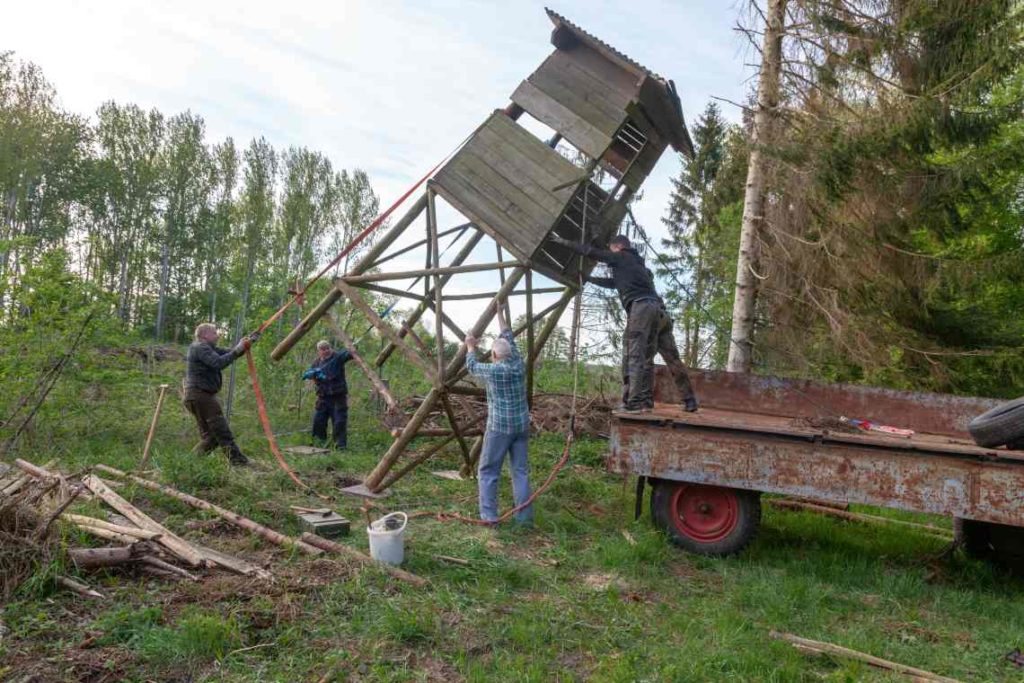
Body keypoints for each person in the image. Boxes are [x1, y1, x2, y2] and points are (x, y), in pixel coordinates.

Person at [551, 233, 660, 412]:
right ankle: (646, 402)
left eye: (611, 250)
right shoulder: (635, 263)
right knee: (646, 357)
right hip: (654, 308)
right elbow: (613, 283)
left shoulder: (621, 256)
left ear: (617, 247)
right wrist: (589, 279)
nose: (610, 255)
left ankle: (633, 403)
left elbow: (592, 252)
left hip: (640, 308)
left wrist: (565, 241)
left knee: (633, 354)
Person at [584, 269, 699, 413]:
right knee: (672, 360)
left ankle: (632, 401)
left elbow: (612, 282)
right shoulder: (647, 284)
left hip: (643, 316)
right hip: (662, 317)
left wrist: (587, 277)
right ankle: (690, 400)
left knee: (632, 355)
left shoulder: (633, 280)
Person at [464, 298, 532, 525]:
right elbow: (508, 335)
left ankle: (489, 517)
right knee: (520, 472)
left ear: (494, 355)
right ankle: (524, 519)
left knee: (488, 470)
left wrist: (471, 346)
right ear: (509, 353)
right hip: (521, 426)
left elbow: (472, 367)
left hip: (500, 428)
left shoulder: (494, 371)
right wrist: (500, 313)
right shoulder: (518, 363)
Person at [183, 323, 260, 466]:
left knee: (212, 437)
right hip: (201, 396)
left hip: (198, 396)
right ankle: (239, 462)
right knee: (221, 431)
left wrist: (249, 341)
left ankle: (189, 464)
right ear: (205, 335)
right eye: (214, 333)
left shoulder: (207, 348)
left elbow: (230, 353)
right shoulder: (199, 347)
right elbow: (218, 363)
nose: (217, 335)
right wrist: (239, 348)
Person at [303, 340, 353, 450]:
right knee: (318, 420)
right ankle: (318, 444)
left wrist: (352, 348)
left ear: (330, 348)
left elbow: (349, 354)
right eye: (323, 349)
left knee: (339, 421)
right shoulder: (316, 363)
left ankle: (340, 447)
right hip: (323, 397)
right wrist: (310, 375)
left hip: (337, 397)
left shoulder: (338, 357)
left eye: (327, 348)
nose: (326, 351)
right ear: (319, 351)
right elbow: (310, 374)